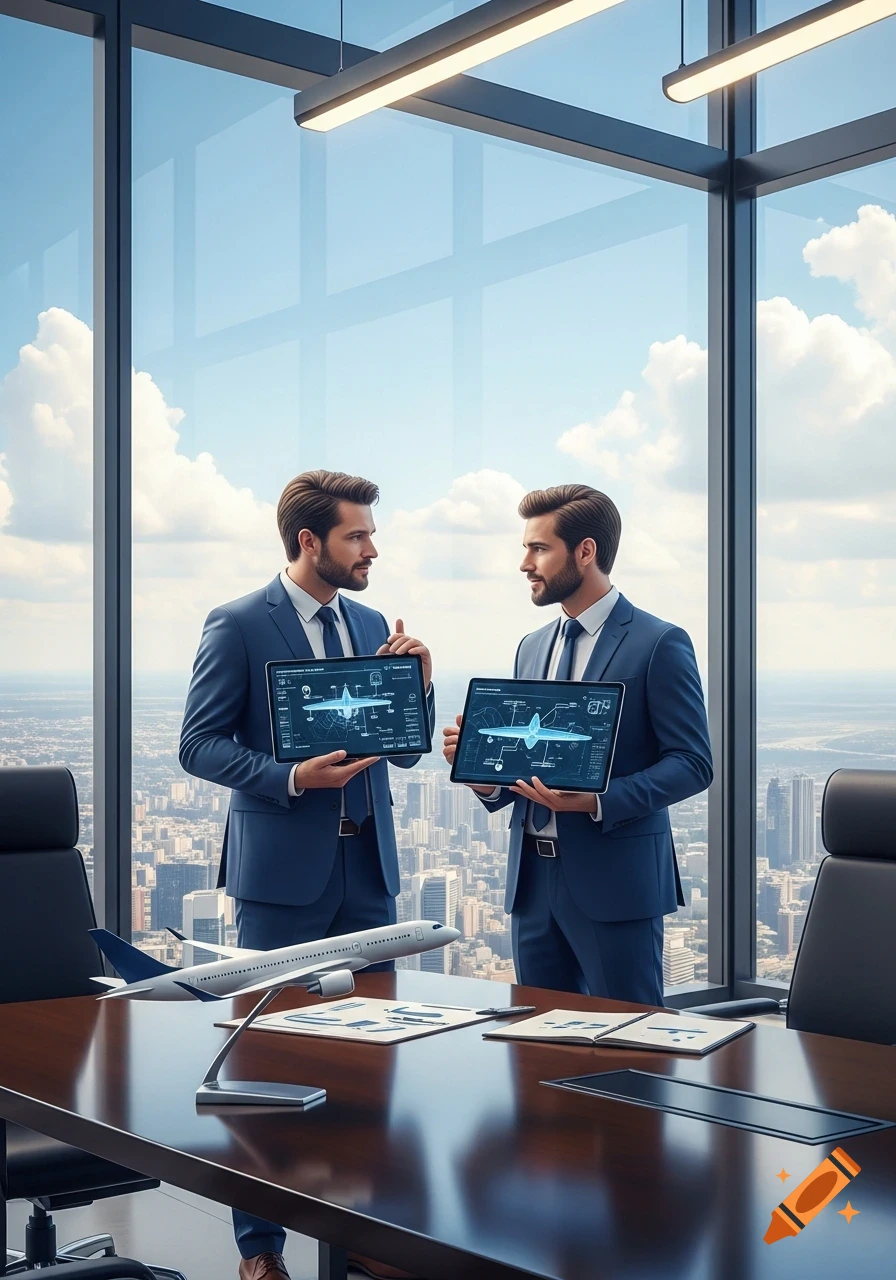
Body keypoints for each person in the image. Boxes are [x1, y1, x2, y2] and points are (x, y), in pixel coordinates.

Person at [180, 469, 433, 1280]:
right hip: (283, 875)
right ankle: (261, 1251)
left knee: (371, 1058)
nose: (372, 549)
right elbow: (199, 744)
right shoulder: (238, 625)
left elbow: (403, 747)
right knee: (266, 1064)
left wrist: (418, 687)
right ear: (308, 541)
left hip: (369, 873)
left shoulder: (368, 623)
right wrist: (293, 779)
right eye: (358, 535)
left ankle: (366, 1230)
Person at [443, 483, 712, 1006]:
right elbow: (523, 770)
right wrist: (483, 777)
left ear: (585, 552)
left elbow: (693, 763)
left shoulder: (658, 642)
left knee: (629, 1041)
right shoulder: (532, 646)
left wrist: (596, 801)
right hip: (532, 885)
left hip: (615, 885)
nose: (525, 563)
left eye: (538, 548)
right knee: (536, 1047)